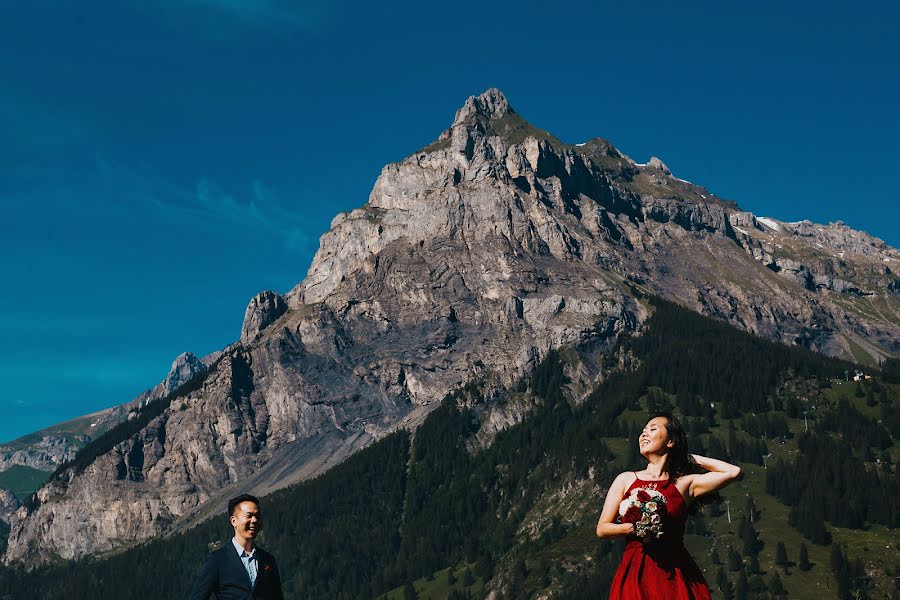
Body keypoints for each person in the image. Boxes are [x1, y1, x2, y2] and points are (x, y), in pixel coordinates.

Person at [596, 412, 741, 599]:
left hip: (675, 573)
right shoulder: (625, 479)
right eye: (643, 431)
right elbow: (602, 529)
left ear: (671, 441)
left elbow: (733, 472)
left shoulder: (685, 484)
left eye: (653, 429)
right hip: (637, 569)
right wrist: (636, 528)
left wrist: (689, 458)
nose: (644, 434)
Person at [189, 494, 284, 600]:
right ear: (234, 521)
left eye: (257, 516)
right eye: (249, 516)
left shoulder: (268, 560)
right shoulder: (217, 560)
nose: (254, 520)